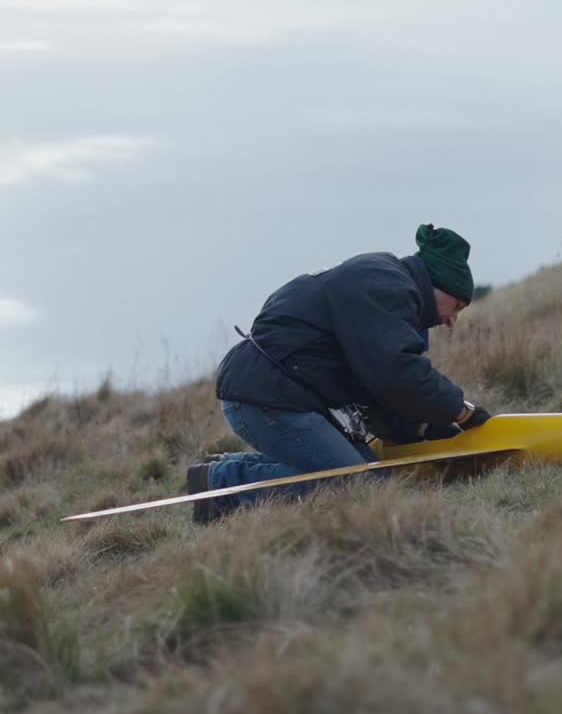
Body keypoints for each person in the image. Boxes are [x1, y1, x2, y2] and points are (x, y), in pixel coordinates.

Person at [188, 223, 490, 521]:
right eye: (457, 306)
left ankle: (228, 468)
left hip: (288, 397)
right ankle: (222, 484)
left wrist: (419, 428)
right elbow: (396, 372)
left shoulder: (387, 287)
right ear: (437, 284)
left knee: (377, 482)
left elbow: (373, 387)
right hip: (265, 397)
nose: (452, 321)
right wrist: (459, 410)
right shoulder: (384, 286)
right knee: (353, 487)